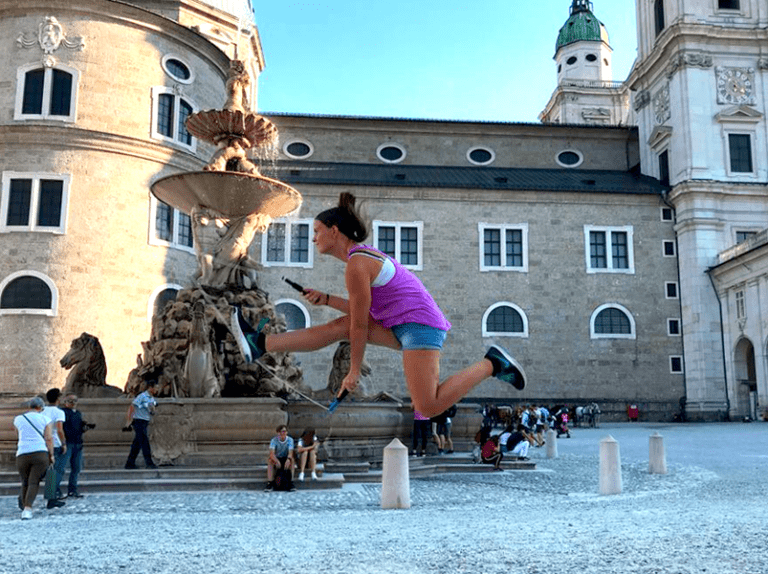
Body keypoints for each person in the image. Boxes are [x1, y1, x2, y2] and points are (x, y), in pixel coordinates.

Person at [231, 192, 526, 418]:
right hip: (401, 323)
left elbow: (361, 324)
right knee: (339, 326)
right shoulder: (360, 258)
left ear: (335, 231)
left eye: (317, 231)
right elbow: (366, 312)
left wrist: (354, 371)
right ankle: (261, 343)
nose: (314, 239)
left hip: (420, 326)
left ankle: (491, 364)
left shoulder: (357, 265)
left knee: (428, 405)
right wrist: (328, 299)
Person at [14, 396, 54, 519]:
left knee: (24, 481)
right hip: (40, 452)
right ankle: (27, 509)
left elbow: (18, 435)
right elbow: (48, 438)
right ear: (41, 407)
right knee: (34, 481)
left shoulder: (18, 419)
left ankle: (24, 502)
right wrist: (51, 454)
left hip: (22, 453)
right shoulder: (45, 419)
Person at [60, 394, 95, 498]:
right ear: (65, 402)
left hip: (77, 442)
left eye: (75, 400)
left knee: (76, 468)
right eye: (70, 400)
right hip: (68, 443)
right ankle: (54, 490)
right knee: (61, 468)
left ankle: (72, 490)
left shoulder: (78, 413)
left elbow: (78, 427)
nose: (73, 403)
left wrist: (84, 427)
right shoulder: (63, 412)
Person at [124, 380, 159, 469]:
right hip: (139, 422)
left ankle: (129, 463)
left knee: (137, 444)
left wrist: (153, 411)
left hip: (145, 422)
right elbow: (132, 406)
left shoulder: (151, 398)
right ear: (150, 388)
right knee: (144, 443)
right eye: (156, 387)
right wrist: (129, 420)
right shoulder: (142, 396)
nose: (157, 389)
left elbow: (151, 409)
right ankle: (149, 463)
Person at [42, 388, 67, 509]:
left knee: (49, 470)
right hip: (55, 444)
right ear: (58, 398)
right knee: (57, 470)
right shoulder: (59, 412)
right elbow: (59, 429)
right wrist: (64, 443)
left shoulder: (42, 411)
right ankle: (52, 496)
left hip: (43, 443)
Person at [265, 425, 295, 491]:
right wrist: (276, 460)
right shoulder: (274, 440)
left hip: (285, 457)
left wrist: (288, 459)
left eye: (284, 431)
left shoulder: (290, 440)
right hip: (277, 457)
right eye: (281, 431)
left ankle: (291, 482)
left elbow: (290, 452)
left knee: (292, 460)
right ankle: (270, 483)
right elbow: (272, 454)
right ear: (278, 433)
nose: (282, 433)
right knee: (270, 461)